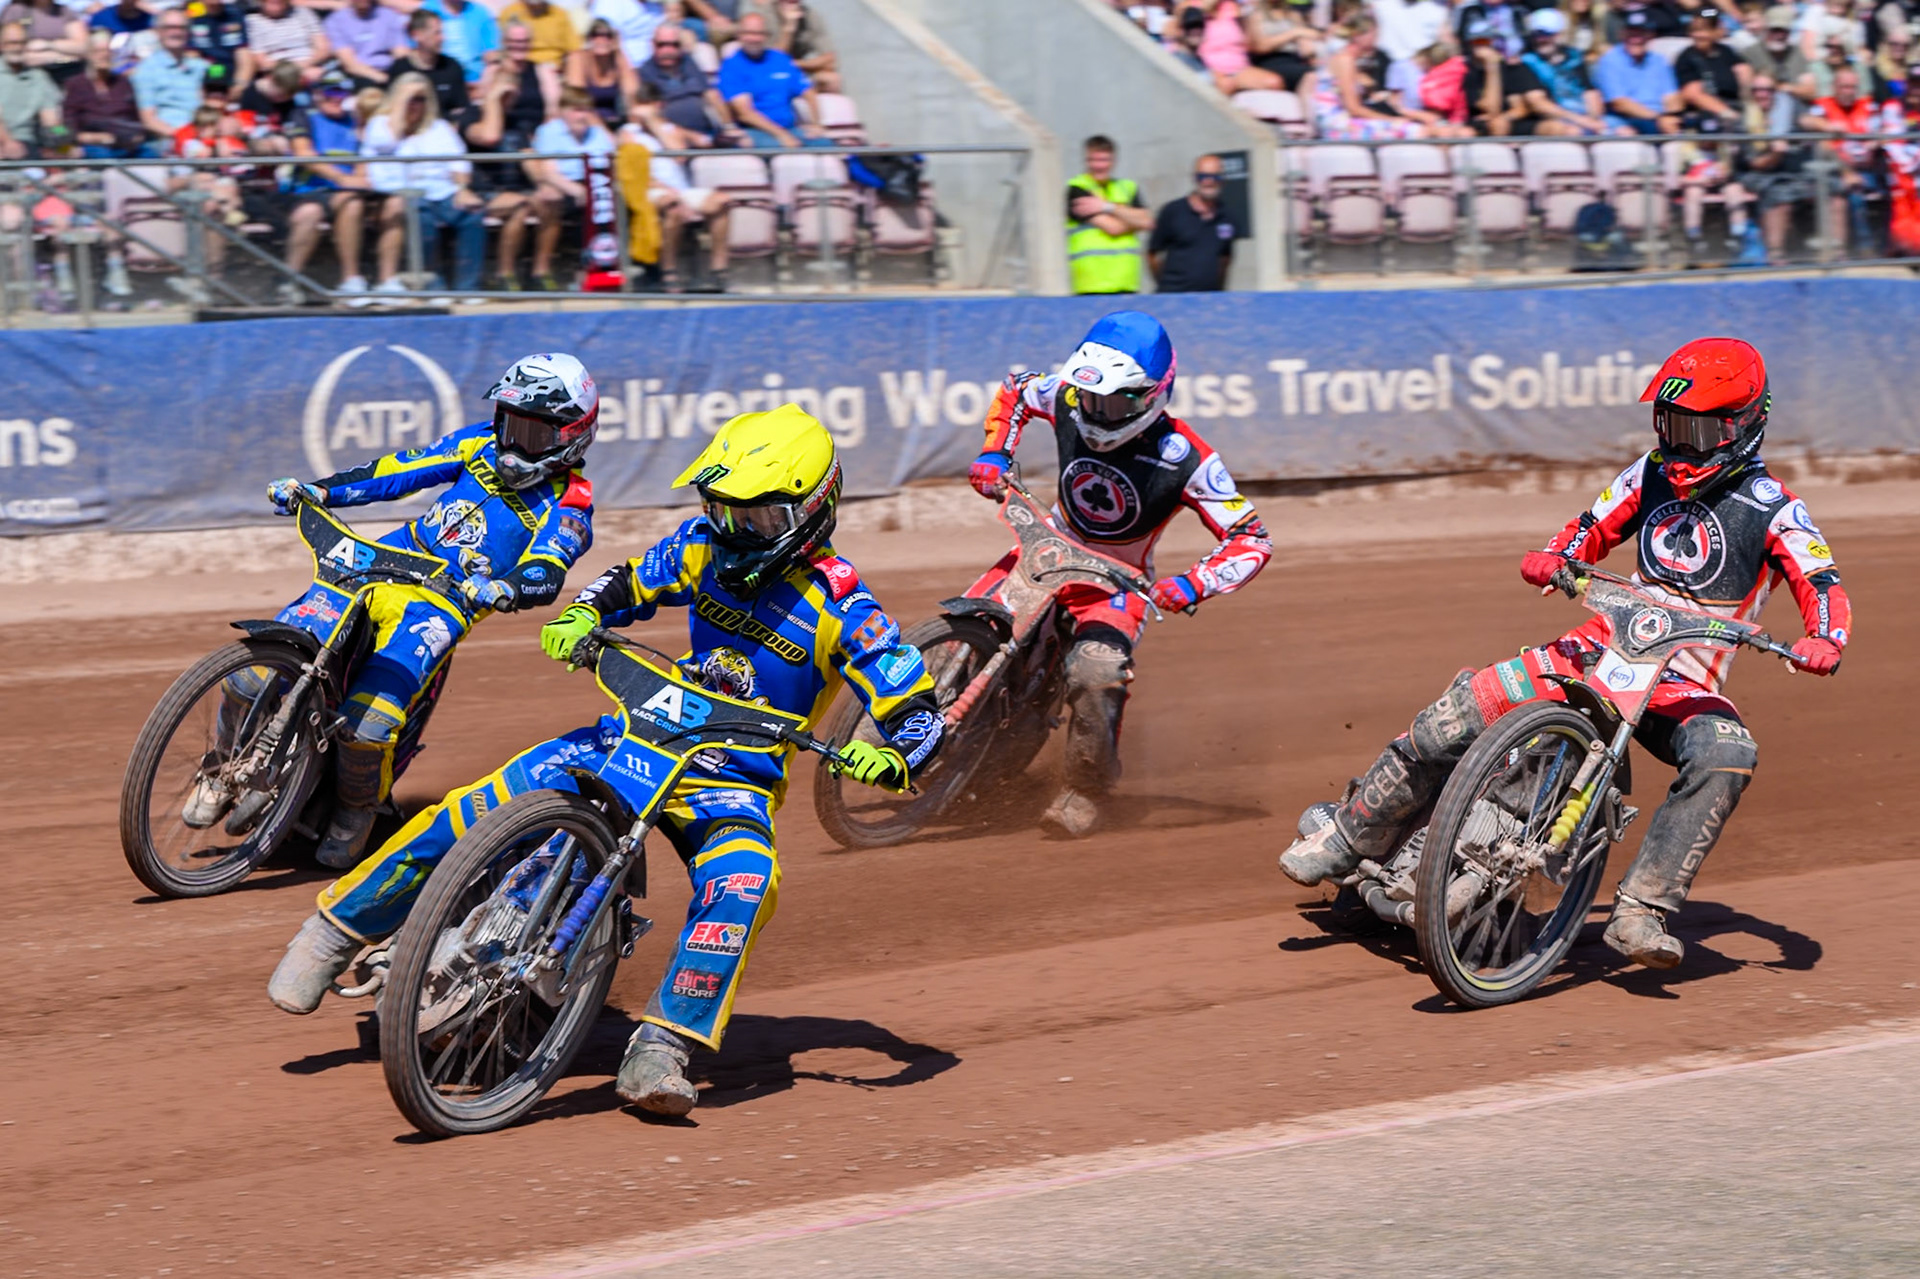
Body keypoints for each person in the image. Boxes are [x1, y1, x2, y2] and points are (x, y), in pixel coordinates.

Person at [267, 403, 942, 1122]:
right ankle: (333, 931)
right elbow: (626, 582)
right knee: (482, 800)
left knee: (747, 883)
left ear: (812, 510)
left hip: (732, 782)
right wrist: (584, 615)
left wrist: (894, 756)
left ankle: (663, 1045)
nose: (736, 531)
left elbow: (919, 711)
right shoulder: (700, 546)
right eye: (722, 509)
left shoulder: (846, 604)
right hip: (636, 733)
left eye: (759, 519)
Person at [1281, 338, 1851, 971]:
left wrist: (1825, 638)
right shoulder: (1650, 472)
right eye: (1672, 426)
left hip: (1683, 680)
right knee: (1462, 710)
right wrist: (1556, 554)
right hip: (1599, 645)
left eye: (1697, 429)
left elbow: (1822, 584)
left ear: (1744, 425)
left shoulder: (1776, 510)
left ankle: (1642, 908)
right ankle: (1350, 833)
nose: (1681, 443)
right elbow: (1592, 526)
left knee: (1729, 752)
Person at [232, 353, 601, 872]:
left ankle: (354, 812)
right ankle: (221, 764)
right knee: (251, 671)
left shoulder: (572, 501)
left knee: (368, 723)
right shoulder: (478, 442)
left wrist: (504, 587)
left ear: (571, 437)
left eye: (534, 434)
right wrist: (320, 490)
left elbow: (549, 567)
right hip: (379, 563)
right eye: (510, 423)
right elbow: (398, 471)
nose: (515, 443)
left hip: (443, 601)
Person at [967, 312, 1272, 837]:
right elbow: (1015, 390)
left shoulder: (1187, 457)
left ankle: (1086, 788)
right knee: (971, 618)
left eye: (1112, 403)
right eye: (1089, 399)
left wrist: (1191, 584)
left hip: (1116, 583)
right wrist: (995, 450)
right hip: (1048, 547)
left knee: (1096, 672)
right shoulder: (1066, 397)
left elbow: (1252, 538)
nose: (1095, 412)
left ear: (1152, 395)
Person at [362, 72, 485, 295]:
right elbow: (387, 142)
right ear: (396, 98)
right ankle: (431, 286)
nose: (415, 104)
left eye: (421, 99)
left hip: (442, 191)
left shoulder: (439, 128)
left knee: (472, 216)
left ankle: (468, 288)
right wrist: (401, 103)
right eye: (410, 98)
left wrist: (462, 189)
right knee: (422, 219)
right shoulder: (380, 124)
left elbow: (459, 164)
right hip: (400, 194)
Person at [277, 72, 375, 303]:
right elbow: (303, 153)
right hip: (305, 190)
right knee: (310, 212)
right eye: (330, 92)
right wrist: (342, 178)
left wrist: (358, 179)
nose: (336, 97)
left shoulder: (355, 119)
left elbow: (364, 156)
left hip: (345, 192)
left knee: (352, 202)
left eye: (342, 92)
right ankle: (288, 280)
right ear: (317, 94)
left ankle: (352, 280)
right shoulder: (303, 115)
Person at [622, 105, 732, 289]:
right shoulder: (628, 133)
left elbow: (679, 156)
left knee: (722, 201)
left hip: (681, 190)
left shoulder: (668, 130)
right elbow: (635, 173)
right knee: (673, 208)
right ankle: (669, 270)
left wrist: (655, 125)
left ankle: (718, 269)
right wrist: (670, 192)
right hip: (651, 189)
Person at [530, 84, 616, 288]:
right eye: (576, 110)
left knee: (612, 203)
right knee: (554, 202)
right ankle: (541, 270)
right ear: (562, 111)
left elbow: (612, 157)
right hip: (563, 184)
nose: (582, 116)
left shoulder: (596, 133)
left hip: (595, 183)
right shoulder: (549, 131)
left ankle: (604, 269)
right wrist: (578, 191)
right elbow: (548, 172)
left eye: (586, 110)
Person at [718, 10, 827, 148]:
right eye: (749, 33)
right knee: (787, 151)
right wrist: (781, 135)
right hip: (756, 131)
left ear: (766, 36)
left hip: (790, 129)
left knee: (826, 144)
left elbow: (809, 92)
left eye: (759, 33)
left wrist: (816, 124)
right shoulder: (731, 66)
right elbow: (745, 113)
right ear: (739, 35)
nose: (755, 38)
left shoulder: (780, 59)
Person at [1066, 134, 1152, 294]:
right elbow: (1113, 228)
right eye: (1093, 160)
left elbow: (1147, 222)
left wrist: (1106, 206)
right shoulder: (1077, 188)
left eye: (1104, 160)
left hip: (1126, 282)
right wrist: (1132, 220)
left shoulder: (1128, 187)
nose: (1099, 166)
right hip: (1091, 285)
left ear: (1113, 161)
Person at [637, 21, 734, 145]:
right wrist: (692, 136)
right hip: (674, 140)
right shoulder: (646, 72)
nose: (668, 50)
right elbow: (653, 117)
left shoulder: (687, 62)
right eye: (662, 45)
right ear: (653, 45)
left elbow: (710, 93)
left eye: (674, 45)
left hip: (708, 133)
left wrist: (729, 127)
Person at [1149, 153, 1234, 291]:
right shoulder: (1172, 211)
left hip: (1209, 300)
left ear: (1222, 179)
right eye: (1203, 176)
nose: (1209, 182)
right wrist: (1166, 286)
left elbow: (1225, 259)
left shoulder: (1227, 217)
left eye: (1215, 176)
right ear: (1195, 178)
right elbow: (1152, 255)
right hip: (1174, 299)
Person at [1520, 7, 1610, 134]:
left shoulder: (1576, 57)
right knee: (1573, 132)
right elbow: (1539, 104)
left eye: (1546, 34)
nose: (1541, 39)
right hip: (1556, 120)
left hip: (1585, 117)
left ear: (1559, 34)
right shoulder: (1528, 61)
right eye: (1537, 34)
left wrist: (1594, 120)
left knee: (1624, 131)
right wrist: (1581, 121)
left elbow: (1590, 93)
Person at [1594, 9, 1683, 133]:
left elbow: (1672, 97)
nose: (1636, 39)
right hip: (1628, 119)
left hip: (1661, 119)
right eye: (1631, 33)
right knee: (1627, 133)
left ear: (1650, 35)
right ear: (1622, 34)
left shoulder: (1658, 60)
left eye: (1641, 33)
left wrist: (1672, 116)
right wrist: (1658, 118)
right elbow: (1620, 103)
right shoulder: (1610, 60)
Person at [64, 28, 145, 157]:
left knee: (150, 154)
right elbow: (64, 126)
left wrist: (135, 135)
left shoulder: (123, 83)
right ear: (89, 55)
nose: (104, 55)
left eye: (107, 51)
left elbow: (135, 117)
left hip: (125, 142)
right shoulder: (75, 85)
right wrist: (92, 137)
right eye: (98, 51)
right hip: (94, 146)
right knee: (103, 156)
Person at [1675, 8, 1751, 130]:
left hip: (1735, 104)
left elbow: (1743, 70)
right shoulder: (1687, 57)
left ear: (1716, 31)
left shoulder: (1727, 51)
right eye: (1695, 30)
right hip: (1707, 112)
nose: (1698, 35)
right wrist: (1727, 113)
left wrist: (1748, 102)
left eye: (1705, 30)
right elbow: (1692, 94)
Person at [0, 19, 62, 155]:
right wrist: (7, 142)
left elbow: (51, 121)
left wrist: (64, 140)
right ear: (2, 45)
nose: (17, 48)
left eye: (22, 42)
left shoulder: (39, 77)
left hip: (27, 144)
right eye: (12, 43)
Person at [566, 16, 639, 131]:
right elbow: (577, 101)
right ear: (589, 38)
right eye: (596, 35)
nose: (601, 40)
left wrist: (619, 52)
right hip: (584, 123)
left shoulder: (618, 59)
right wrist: (604, 133)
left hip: (613, 120)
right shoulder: (579, 58)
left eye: (607, 36)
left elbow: (633, 95)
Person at [396, 10, 471, 119]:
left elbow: (462, 110)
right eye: (437, 33)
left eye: (442, 33)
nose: (442, 38)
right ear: (417, 35)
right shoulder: (401, 70)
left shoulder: (452, 67)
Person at [324, 0, 411, 89]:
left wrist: (399, 75)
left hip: (389, 69)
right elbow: (350, 64)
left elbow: (401, 53)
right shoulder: (336, 21)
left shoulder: (389, 16)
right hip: (360, 74)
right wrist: (384, 79)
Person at [245, 0, 333, 85]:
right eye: (272, 3)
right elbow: (261, 60)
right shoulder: (253, 21)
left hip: (311, 64)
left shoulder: (302, 13)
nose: (276, 7)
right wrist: (297, 72)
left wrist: (303, 66)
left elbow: (323, 48)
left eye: (279, 3)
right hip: (278, 72)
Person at [1743, 4, 1817, 101]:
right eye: (1775, 30)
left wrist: (1783, 87)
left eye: (1784, 31)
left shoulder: (1796, 53)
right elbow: (1747, 90)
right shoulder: (1751, 53)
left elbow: (1811, 91)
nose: (1779, 36)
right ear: (1766, 29)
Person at [418, 0, 500, 87]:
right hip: (438, 78)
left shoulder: (480, 12)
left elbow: (492, 56)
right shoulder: (427, 10)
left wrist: (483, 84)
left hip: (475, 80)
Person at [769, 0, 836, 94]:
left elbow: (830, 60)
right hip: (769, 73)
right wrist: (789, 28)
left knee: (832, 79)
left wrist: (796, 64)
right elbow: (774, 62)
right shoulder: (765, 16)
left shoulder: (810, 15)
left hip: (800, 69)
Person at [183, 0, 252, 87]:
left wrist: (239, 86)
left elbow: (243, 55)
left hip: (231, 71)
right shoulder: (192, 15)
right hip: (204, 74)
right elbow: (191, 54)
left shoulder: (234, 14)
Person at [498, 0, 579, 68]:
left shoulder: (560, 14)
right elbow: (501, 48)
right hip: (522, 69)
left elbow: (574, 49)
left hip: (555, 70)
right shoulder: (509, 12)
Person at [589, 0, 666, 67]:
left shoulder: (655, 7)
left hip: (656, 67)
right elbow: (604, 40)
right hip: (625, 67)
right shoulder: (609, 4)